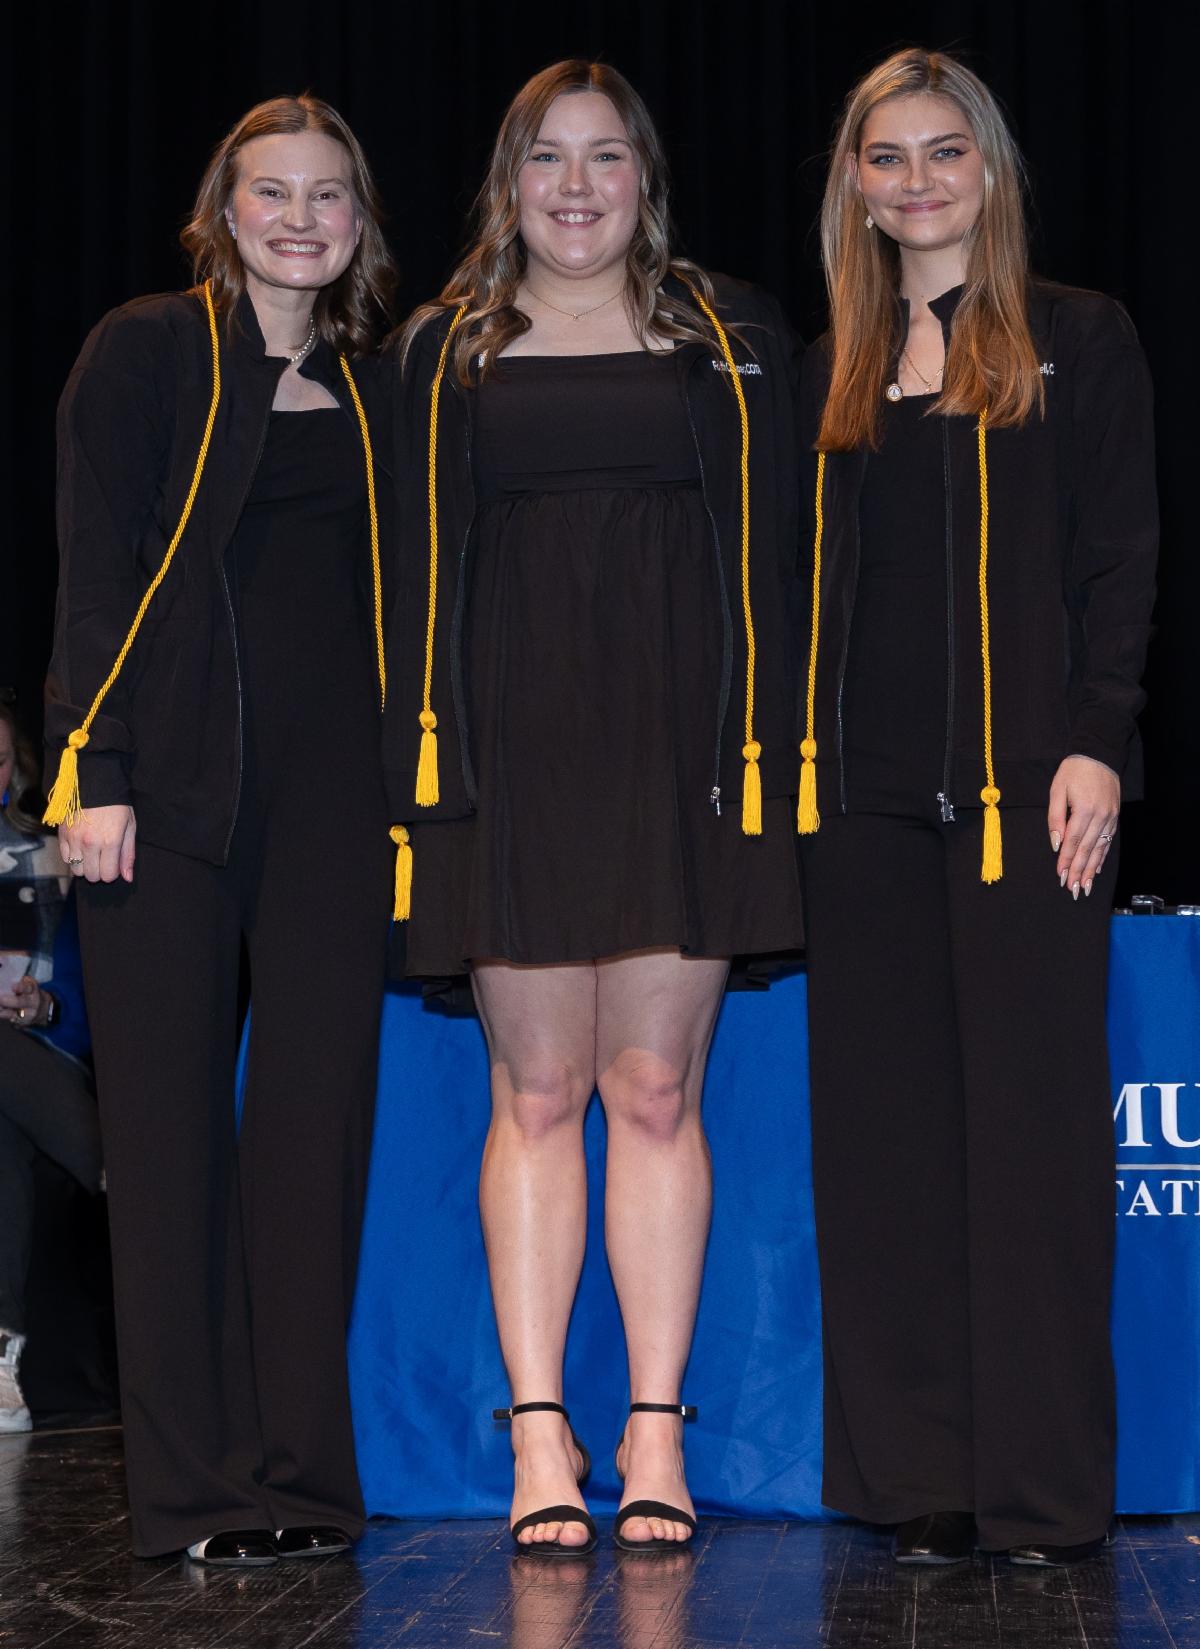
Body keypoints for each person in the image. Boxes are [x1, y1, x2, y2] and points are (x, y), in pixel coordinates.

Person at [383, 59, 805, 1557]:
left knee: (655, 1091)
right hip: (508, 756)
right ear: (508, 182)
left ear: (647, 178)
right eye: (547, 159)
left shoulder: (732, 334)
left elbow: (796, 546)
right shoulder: (439, 349)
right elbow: (394, 564)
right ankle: (539, 1433)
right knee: (541, 1094)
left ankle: (656, 1431)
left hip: (685, 756)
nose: (577, 188)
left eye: (605, 157)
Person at [796, 48, 1156, 1568]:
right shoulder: (829, 363)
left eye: (946, 151)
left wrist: (1100, 737)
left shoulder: (1081, 336)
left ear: (991, 167)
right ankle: (919, 1478)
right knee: (887, 1151)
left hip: (1032, 801)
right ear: (857, 183)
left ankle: (1044, 1490)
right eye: (889, 156)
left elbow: (1119, 554)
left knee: (1035, 1149)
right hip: (861, 813)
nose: (919, 180)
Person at [44, 95, 396, 1565]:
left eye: (328, 194)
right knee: (168, 1144)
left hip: (337, 814)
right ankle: (192, 1493)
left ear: (360, 221)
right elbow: (92, 566)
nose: (300, 219)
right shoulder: (146, 349)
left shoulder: (382, 385)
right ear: (223, 210)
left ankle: (300, 1479)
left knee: (312, 1144)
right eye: (272, 192)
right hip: (161, 797)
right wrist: (92, 767)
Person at [0, 700, 102, 1433]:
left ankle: (0, 1356)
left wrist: (42, 1006)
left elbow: (86, 1002)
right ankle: (114, 1165)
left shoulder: (52, 855)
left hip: (44, 1062)